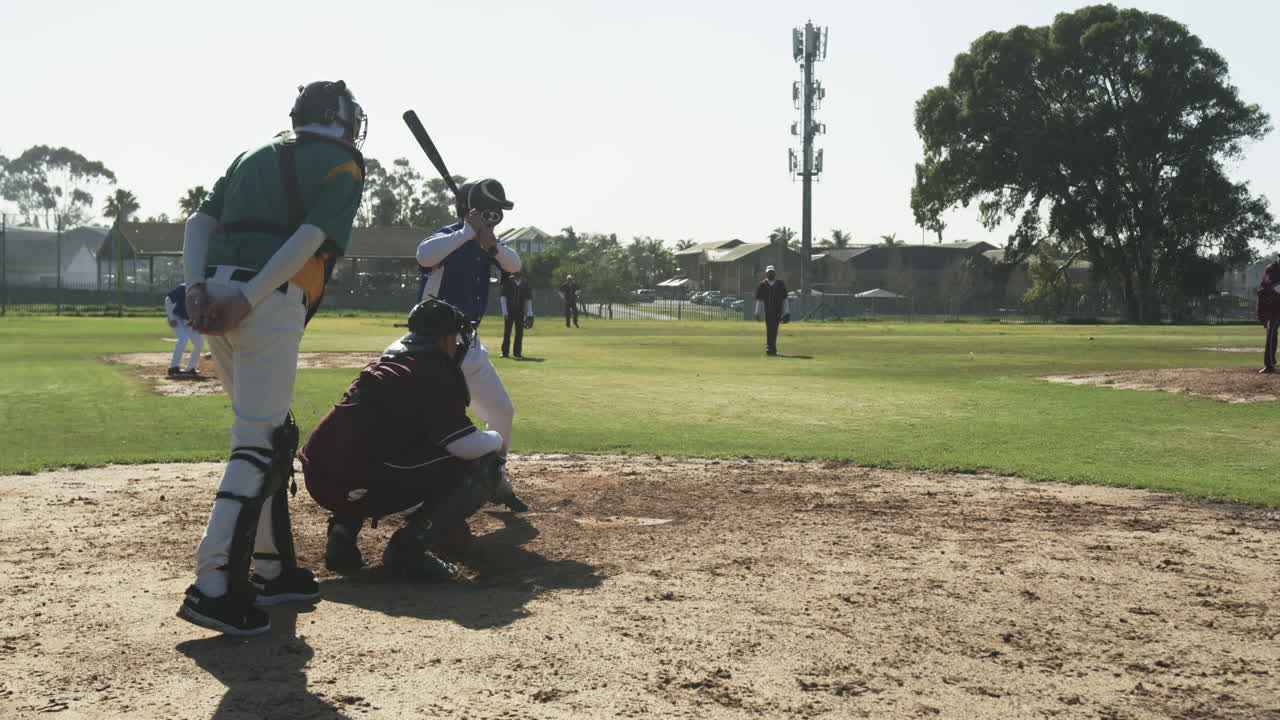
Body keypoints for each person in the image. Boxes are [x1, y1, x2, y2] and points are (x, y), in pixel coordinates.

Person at [176, 80, 368, 636]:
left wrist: (196, 289)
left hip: (214, 292)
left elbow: (198, 223)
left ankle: (271, 567)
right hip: (267, 300)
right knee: (258, 443)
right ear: (343, 119)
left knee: (271, 436)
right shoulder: (341, 162)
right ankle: (213, 585)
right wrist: (252, 296)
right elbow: (309, 238)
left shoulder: (252, 153)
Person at [300, 298, 507, 579]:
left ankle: (342, 533)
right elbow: (465, 445)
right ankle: (408, 548)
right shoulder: (433, 371)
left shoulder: (388, 363)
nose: (458, 345)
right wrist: (496, 439)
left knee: (372, 449)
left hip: (318, 476)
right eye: (455, 338)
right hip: (361, 479)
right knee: (486, 464)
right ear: (445, 338)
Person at [415, 177, 529, 513]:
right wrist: (466, 232)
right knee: (425, 422)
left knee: (502, 412)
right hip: (432, 348)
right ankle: (414, 489)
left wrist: (488, 242)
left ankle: (495, 476)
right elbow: (424, 256)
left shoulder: (488, 245)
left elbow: (516, 265)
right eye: (492, 212)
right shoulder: (447, 236)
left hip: (470, 345)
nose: (496, 217)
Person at [164, 283, 203, 377]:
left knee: (199, 342)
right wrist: (171, 317)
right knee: (183, 338)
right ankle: (173, 367)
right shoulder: (183, 287)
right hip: (176, 318)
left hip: (188, 320)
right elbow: (168, 300)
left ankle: (190, 368)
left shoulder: (203, 291)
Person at [754, 265, 791, 356]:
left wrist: (787, 312)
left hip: (777, 311)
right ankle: (770, 347)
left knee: (774, 329)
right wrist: (757, 312)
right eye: (769, 272)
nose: (770, 273)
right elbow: (759, 300)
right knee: (769, 329)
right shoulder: (762, 285)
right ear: (766, 273)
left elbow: (785, 299)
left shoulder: (780, 284)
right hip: (768, 311)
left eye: (772, 272)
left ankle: (771, 347)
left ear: (774, 273)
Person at [499, 270, 534, 358]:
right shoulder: (508, 283)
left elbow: (528, 299)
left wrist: (529, 313)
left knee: (519, 333)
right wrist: (505, 312)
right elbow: (503, 298)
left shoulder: (525, 284)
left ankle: (517, 353)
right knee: (507, 332)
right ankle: (505, 352)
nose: (518, 276)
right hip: (509, 311)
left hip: (520, 312)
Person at [1257, 253, 1280, 374]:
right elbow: (1273, 288)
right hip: (1272, 307)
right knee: (1271, 333)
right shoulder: (1271, 269)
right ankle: (1269, 365)